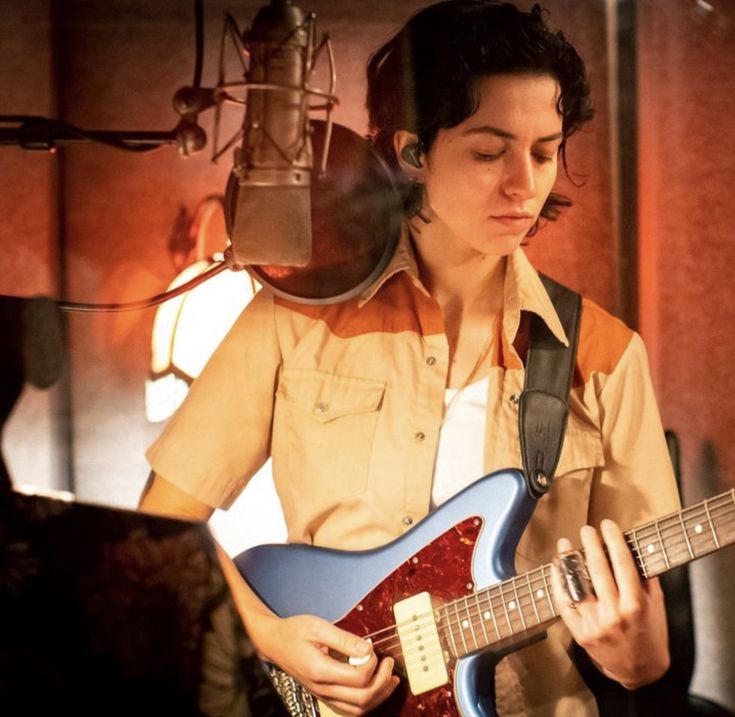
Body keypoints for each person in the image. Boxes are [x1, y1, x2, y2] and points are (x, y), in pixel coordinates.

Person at [140, 2, 680, 715]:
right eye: (489, 151)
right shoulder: (295, 314)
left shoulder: (605, 353)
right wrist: (271, 636)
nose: (524, 184)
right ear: (411, 152)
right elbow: (164, 524)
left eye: (544, 152)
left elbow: (647, 659)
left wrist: (627, 649)